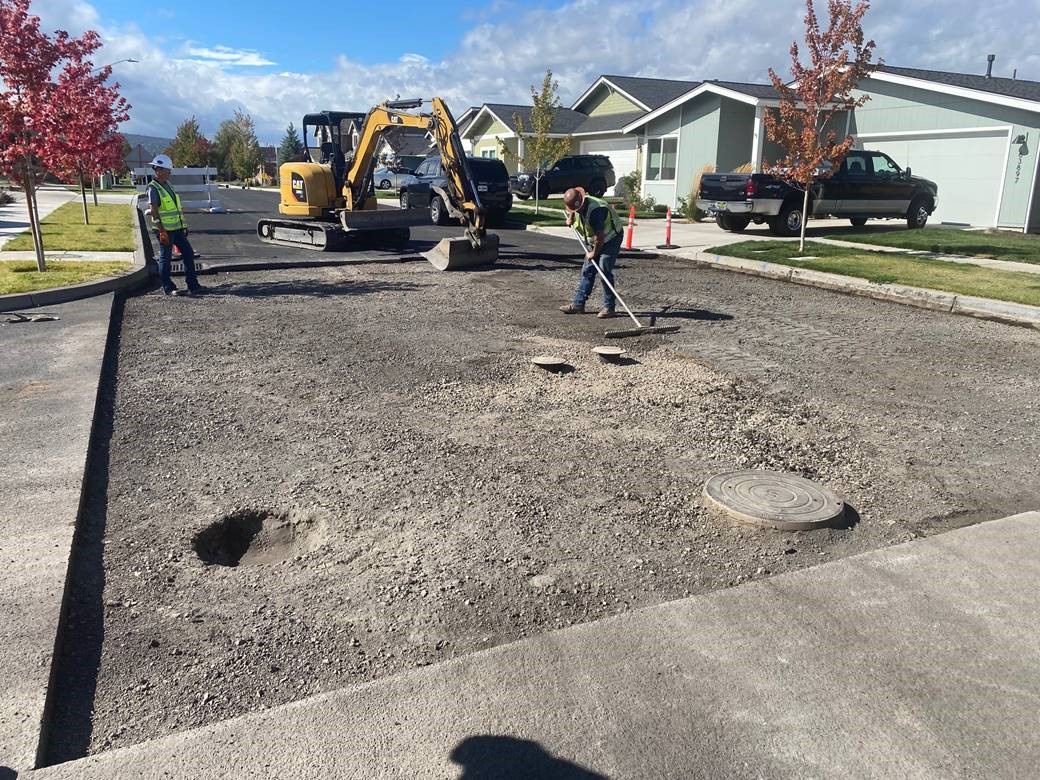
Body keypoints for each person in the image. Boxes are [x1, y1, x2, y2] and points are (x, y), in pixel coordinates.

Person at [558, 187, 624, 318]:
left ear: (582, 202)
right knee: (587, 270)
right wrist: (571, 217)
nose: (577, 211)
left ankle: (609, 307)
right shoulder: (578, 204)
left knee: (603, 269)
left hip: (611, 238)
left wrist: (593, 253)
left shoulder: (596, 212)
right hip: (594, 239)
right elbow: (573, 210)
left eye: (577, 209)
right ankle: (578, 304)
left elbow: (600, 238)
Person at [147, 154, 204, 296]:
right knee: (166, 259)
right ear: (158, 170)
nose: (170, 173)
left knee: (188, 253)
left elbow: (176, 209)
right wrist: (161, 231)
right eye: (168, 170)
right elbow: (154, 211)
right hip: (165, 230)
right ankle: (168, 287)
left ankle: (193, 285)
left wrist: (183, 226)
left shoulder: (168, 185)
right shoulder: (153, 188)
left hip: (177, 228)